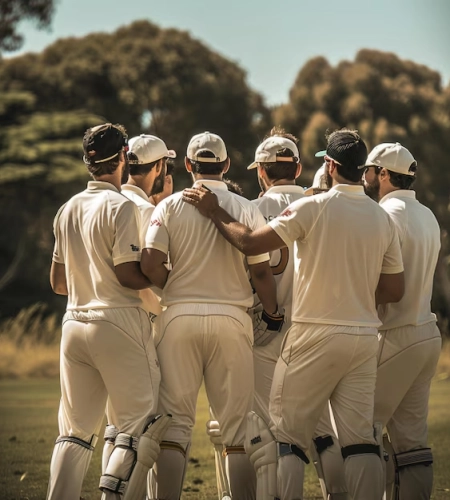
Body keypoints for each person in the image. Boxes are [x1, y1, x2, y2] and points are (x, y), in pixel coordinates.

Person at [183, 128, 405, 500]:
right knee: (357, 441)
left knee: (287, 437)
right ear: (364, 169)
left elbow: (252, 244)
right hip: (364, 335)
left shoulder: (313, 206)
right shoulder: (381, 217)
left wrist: (214, 210)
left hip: (310, 334)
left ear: (330, 165)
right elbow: (395, 290)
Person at [141, 131, 281, 500]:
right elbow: (261, 272)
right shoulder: (247, 207)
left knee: (174, 427)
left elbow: (150, 263)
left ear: (188, 165)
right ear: (227, 165)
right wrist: (273, 312)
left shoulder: (167, 206)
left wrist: (175, 286)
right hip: (233, 321)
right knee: (237, 432)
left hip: (178, 318)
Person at [48, 123, 170, 500]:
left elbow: (57, 282)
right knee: (140, 426)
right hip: (116, 321)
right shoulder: (120, 206)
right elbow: (127, 275)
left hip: (74, 324)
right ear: (121, 158)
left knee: (74, 432)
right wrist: (168, 283)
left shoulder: (67, 208)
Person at [249, 129, 348, 500]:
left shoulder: (251, 208)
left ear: (261, 171)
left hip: (263, 329)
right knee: (323, 429)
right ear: (298, 167)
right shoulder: (321, 205)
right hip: (310, 328)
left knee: (269, 430)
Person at [363, 142, 442, 500]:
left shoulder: (383, 213)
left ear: (382, 173)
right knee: (412, 444)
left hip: (394, 333)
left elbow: (375, 281)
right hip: (426, 332)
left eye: (368, 169)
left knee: (362, 434)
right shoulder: (428, 214)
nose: (363, 176)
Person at [122, 134, 176, 317]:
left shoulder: (110, 200)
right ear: (160, 166)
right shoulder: (147, 210)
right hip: (134, 318)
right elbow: (153, 270)